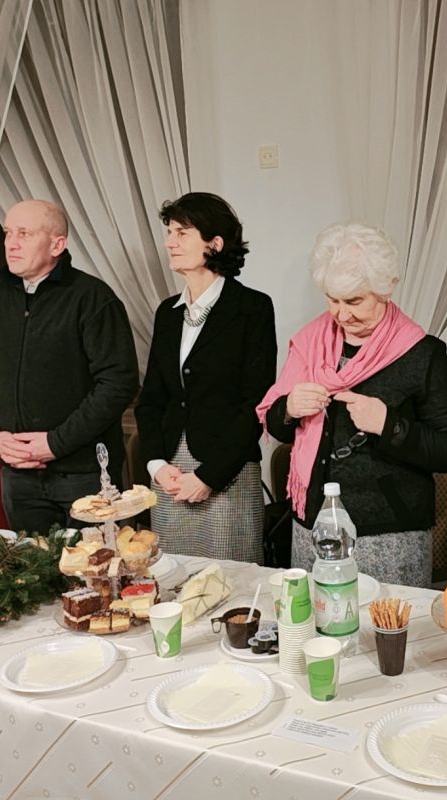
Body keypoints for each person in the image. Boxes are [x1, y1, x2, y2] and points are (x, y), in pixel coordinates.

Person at [258, 223, 447, 588]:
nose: (341, 314)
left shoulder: (423, 354)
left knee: (385, 624)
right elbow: (278, 427)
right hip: (314, 524)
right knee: (317, 621)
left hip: (390, 532)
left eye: (354, 301)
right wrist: (289, 407)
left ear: (385, 290)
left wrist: (389, 424)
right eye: (332, 300)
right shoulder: (310, 342)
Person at [0, 199, 139, 534]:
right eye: (7, 233)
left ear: (57, 245)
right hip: (17, 476)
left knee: (96, 564)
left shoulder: (92, 298)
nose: (11, 243)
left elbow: (118, 384)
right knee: (31, 565)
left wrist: (54, 443)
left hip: (85, 474)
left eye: (24, 233)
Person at [135, 193, 276, 562]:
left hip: (227, 471)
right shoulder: (167, 313)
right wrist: (156, 464)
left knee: (234, 584)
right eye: (169, 232)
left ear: (215, 243)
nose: (170, 242)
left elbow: (256, 403)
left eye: (182, 233)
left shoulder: (253, 308)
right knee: (173, 579)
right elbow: (151, 399)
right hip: (169, 473)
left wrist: (209, 477)